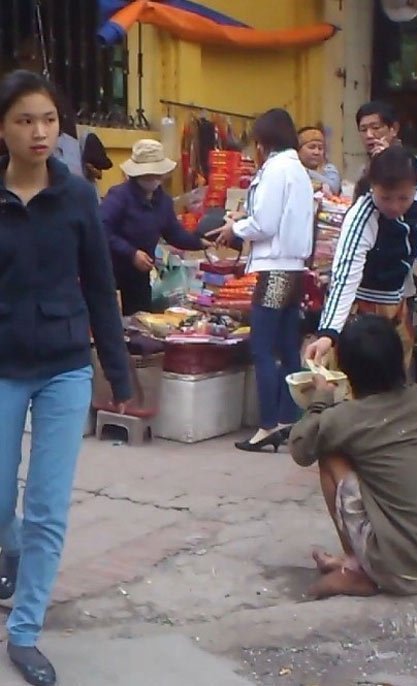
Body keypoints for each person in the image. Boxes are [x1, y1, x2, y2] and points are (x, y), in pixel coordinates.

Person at [0, 70, 131, 685]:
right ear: (3, 127)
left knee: (47, 506)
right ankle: (10, 548)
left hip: (64, 368)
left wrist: (119, 375)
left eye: (48, 120)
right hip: (2, 367)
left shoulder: (78, 196)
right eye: (25, 120)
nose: (39, 132)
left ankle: (24, 632)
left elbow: (101, 287)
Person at [290, 314, 417, 599]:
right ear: (400, 361)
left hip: (402, 571)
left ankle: (357, 568)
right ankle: (370, 559)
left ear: (345, 371)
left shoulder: (346, 418)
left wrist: (320, 400)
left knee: (330, 455)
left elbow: (301, 448)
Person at [208, 108, 314, 452]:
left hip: (275, 268)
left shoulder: (275, 170)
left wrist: (235, 227)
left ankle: (268, 424)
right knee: (287, 347)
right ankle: (287, 417)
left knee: (263, 347)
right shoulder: (297, 169)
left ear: (263, 141)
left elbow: (264, 224)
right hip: (294, 267)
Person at [305, 146, 417, 367]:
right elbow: (345, 278)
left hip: (398, 305)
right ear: (372, 187)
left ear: (415, 187)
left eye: (403, 198)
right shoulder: (362, 217)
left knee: (398, 374)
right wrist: (328, 333)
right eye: (385, 197)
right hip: (362, 311)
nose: (395, 206)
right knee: (362, 375)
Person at [101, 139, 209, 316]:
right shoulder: (119, 196)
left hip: (139, 275)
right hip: (111, 270)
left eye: (155, 174)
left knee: (141, 319)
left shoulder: (163, 201)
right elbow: (101, 229)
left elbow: (173, 233)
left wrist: (199, 242)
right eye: (147, 174)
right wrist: (131, 253)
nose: (152, 178)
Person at [355, 100, 417, 199]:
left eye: (376, 127)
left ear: (394, 129)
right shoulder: (364, 169)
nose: (369, 135)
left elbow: (412, 202)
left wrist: (388, 160)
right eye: (363, 130)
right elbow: (359, 201)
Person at [297, 125, 341, 195]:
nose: (316, 152)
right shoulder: (291, 170)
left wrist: (307, 171)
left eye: (320, 148)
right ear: (298, 150)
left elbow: (334, 188)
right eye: (311, 147)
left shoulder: (329, 169)